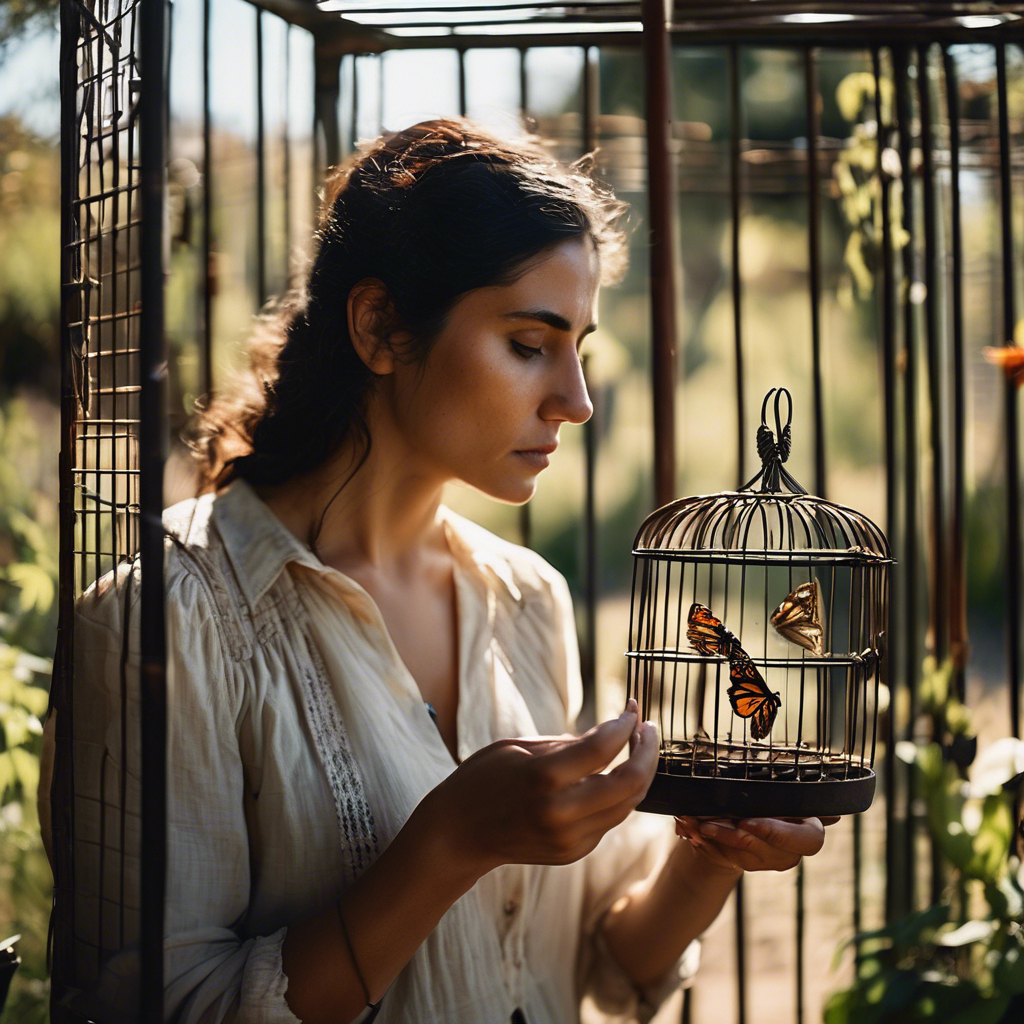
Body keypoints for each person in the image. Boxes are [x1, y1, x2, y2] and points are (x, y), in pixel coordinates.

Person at [41, 118, 832, 1024]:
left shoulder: (529, 597)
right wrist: (451, 842)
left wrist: (710, 852)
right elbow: (157, 1007)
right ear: (380, 325)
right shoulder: (166, 617)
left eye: (582, 349)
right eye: (530, 344)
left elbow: (600, 960)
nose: (575, 401)